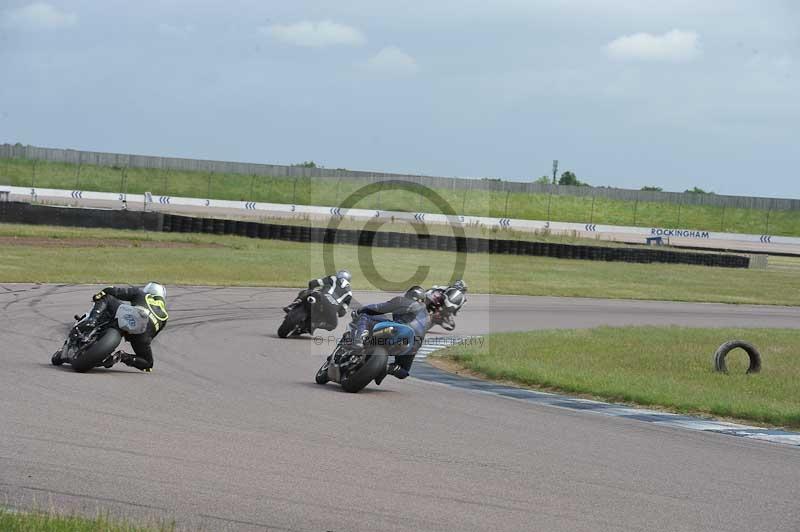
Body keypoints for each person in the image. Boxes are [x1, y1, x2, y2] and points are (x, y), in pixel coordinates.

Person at [81, 282, 169, 372]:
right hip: (142, 333)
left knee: (107, 297)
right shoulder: (165, 316)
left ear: (148, 290)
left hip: (130, 316)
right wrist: (142, 341)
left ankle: (92, 320)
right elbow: (151, 336)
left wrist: (99, 295)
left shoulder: (140, 293)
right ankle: (123, 357)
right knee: (148, 363)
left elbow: (114, 291)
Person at [351, 285, 430, 384]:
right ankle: (387, 368)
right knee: (404, 371)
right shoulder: (427, 316)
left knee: (365, 316)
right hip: (413, 345)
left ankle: (359, 340)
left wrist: (359, 310)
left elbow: (379, 308)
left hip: (398, 330)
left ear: (409, 294)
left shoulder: (404, 301)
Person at [284, 269, 352, 318]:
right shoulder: (349, 293)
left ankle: (292, 305)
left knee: (305, 292)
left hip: (321, 297)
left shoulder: (333, 278)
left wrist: (311, 286)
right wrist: (337, 313)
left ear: (338, 275)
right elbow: (343, 311)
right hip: (331, 309)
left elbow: (316, 283)